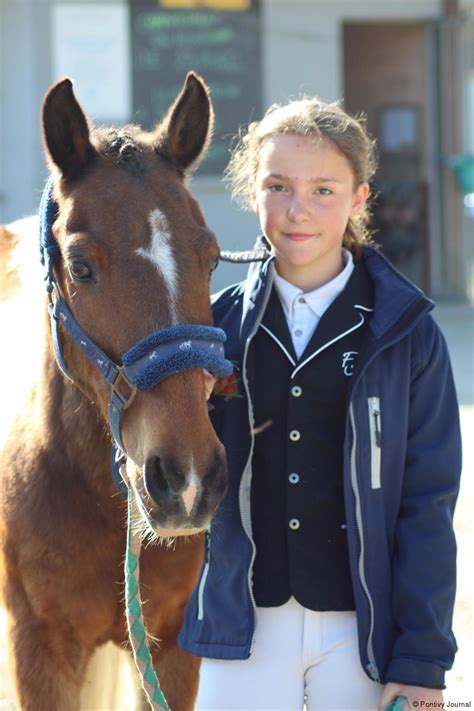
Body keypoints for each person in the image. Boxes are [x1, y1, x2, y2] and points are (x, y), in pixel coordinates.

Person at [178, 97, 462, 710]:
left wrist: (421, 660)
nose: (297, 210)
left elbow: (427, 504)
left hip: (364, 636)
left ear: (360, 199)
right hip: (241, 629)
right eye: (277, 186)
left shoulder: (407, 332)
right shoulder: (211, 330)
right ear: (252, 193)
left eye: (324, 190)